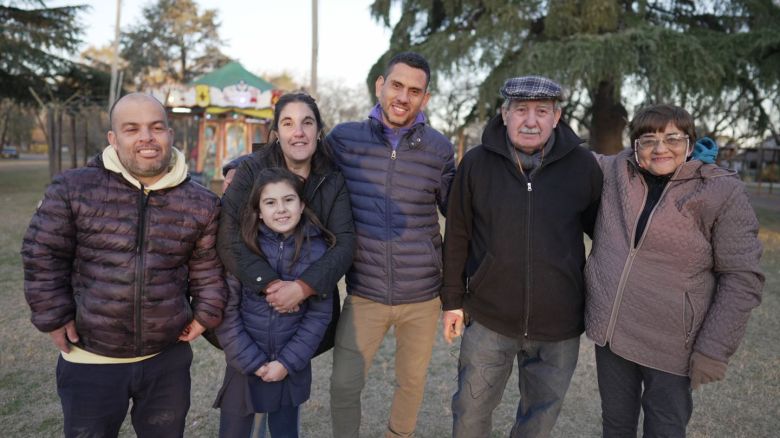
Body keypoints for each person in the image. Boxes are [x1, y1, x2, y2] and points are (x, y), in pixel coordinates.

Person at [20, 93, 227, 437]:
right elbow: (42, 254)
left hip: (166, 359)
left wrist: (206, 313)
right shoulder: (73, 188)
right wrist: (53, 316)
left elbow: (207, 267)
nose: (146, 137)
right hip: (90, 359)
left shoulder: (201, 202)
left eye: (156, 127)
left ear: (170, 134)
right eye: (132, 129)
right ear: (113, 139)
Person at [584, 104, 764, 437]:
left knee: (665, 429)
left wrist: (713, 349)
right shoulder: (616, 172)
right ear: (635, 145)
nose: (661, 148)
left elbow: (742, 277)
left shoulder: (720, 191)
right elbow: (567, 159)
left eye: (673, 138)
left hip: (673, 346)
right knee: (616, 425)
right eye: (648, 139)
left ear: (691, 143)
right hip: (612, 335)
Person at [440, 75, 603, 437]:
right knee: (469, 414)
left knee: (539, 421)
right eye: (521, 110)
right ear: (504, 113)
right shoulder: (476, 164)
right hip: (488, 318)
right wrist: (452, 301)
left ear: (557, 117)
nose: (531, 120)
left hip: (558, 325)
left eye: (542, 111)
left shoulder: (582, 166)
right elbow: (458, 236)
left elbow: (606, 235)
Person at [327, 51, 456, 437]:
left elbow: (459, 212)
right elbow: (298, 170)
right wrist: (239, 169)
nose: (403, 96)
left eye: (414, 90)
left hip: (422, 296)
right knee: (344, 384)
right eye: (396, 85)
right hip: (365, 290)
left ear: (425, 99)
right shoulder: (343, 140)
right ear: (380, 86)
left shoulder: (439, 148)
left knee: (411, 384)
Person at [218, 92, 355, 352]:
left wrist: (303, 288)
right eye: (288, 123)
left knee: (293, 382)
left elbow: (344, 243)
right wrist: (271, 285)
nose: (298, 132)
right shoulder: (250, 171)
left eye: (307, 122)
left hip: (308, 311)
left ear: (318, 131)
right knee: (245, 387)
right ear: (277, 133)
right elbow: (228, 235)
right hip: (252, 305)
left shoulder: (332, 179)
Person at [214, 167, 335, 437]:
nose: (281, 209)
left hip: (290, 365)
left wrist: (287, 363)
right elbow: (227, 309)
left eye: (288, 200)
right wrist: (251, 361)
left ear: (302, 205)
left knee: (285, 431)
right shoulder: (243, 249)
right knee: (234, 431)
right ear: (258, 210)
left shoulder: (317, 250)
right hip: (244, 364)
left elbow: (319, 316)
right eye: (270, 202)